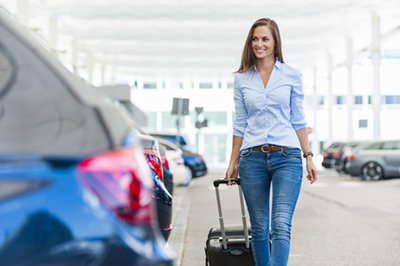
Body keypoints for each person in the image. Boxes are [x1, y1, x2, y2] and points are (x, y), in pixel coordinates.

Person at [225, 18, 318, 266]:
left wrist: (308, 156)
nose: (259, 44)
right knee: (259, 227)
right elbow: (240, 123)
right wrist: (233, 161)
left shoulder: (291, 75)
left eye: (265, 38)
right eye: (255, 39)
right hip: (251, 159)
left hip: (287, 156)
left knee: (280, 223)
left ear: (275, 43)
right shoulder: (242, 78)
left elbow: (298, 119)